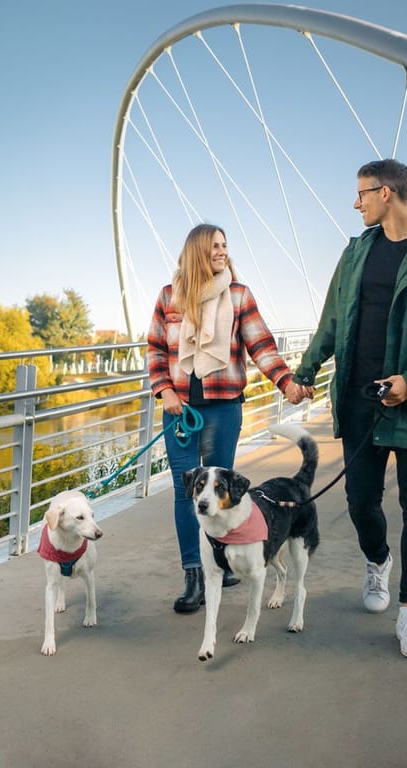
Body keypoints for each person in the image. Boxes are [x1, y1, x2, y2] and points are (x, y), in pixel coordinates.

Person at [291, 159, 407, 659]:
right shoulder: (355, 253)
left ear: (387, 193)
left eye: (362, 194)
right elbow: (332, 319)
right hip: (359, 397)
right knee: (359, 500)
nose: (356, 203)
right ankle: (378, 560)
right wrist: (303, 373)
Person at [147, 223, 305, 614]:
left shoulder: (238, 294)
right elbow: (153, 348)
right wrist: (164, 391)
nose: (222, 251)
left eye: (225, 245)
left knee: (220, 494)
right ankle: (194, 574)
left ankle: (221, 559)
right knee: (189, 494)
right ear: (198, 251)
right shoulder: (169, 296)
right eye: (214, 246)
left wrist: (286, 383)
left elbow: (261, 344)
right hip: (179, 410)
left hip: (224, 406)